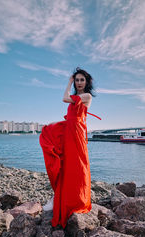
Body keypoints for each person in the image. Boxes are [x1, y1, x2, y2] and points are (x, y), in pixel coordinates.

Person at [39, 67, 100, 228]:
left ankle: (77, 199)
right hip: (69, 129)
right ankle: (60, 196)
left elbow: (65, 98)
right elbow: (70, 110)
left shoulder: (86, 96)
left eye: (81, 80)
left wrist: (69, 81)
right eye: (77, 80)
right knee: (64, 161)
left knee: (78, 166)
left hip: (77, 132)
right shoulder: (77, 96)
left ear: (86, 82)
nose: (79, 83)